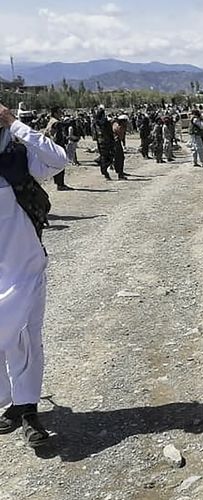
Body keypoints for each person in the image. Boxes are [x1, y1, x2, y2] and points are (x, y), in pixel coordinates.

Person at [0, 102, 68, 447]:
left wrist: (16, 125)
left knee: (27, 334)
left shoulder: (18, 152)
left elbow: (59, 160)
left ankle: (27, 411)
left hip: (24, 264)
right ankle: (12, 400)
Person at [43, 106, 72, 190]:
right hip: (57, 146)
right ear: (55, 113)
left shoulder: (52, 121)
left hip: (53, 145)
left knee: (57, 165)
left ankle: (59, 183)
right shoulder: (55, 122)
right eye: (59, 112)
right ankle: (60, 184)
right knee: (61, 164)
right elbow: (59, 127)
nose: (61, 113)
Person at [94, 106, 116, 180]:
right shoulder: (105, 123)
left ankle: (104, 170)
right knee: (110, 157)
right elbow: (110, 133)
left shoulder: (96, 123)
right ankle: (104, 169)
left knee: (104, 156)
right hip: (107, 142)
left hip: (100, 142)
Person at [112, 115, 128, 180]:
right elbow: (121, 137)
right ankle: (120, 174)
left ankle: (118, 171)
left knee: (116, 158)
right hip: (117, 142)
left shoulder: (114, 124)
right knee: (120, 158)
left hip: (113, 142)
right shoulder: (120, 127)